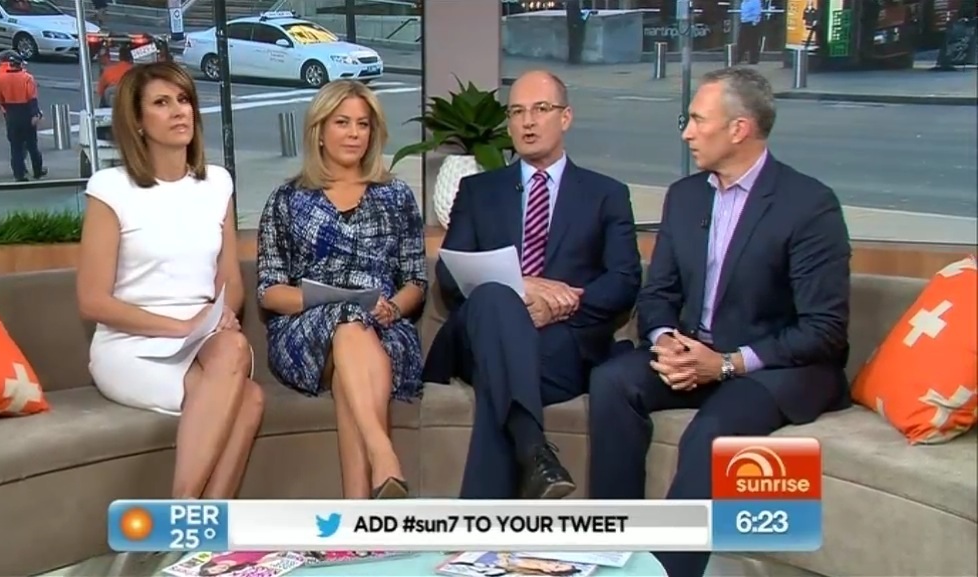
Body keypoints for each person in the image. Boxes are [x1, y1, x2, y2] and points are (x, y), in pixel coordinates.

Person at [586, 67, 851, 577]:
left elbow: (824, 329)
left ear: (739, 129)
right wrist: (666, 340)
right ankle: (613, 548)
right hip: (696, 353)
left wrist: (727, 363)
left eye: (697, 120)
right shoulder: (686, 196)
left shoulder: (808, 205)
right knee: (613, 382)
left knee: (712, 433)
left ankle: (666, 571)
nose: (686, 133)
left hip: (775, 367)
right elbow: (659, 292)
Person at [422, 70, 642, 500]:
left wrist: (562, 304)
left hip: (561, 346)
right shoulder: (478, 190)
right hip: (478, 337)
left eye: (540, 109)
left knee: (500, 379)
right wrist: (520, 288)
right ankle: (533, 449)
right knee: (494, 296)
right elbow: (449, 273)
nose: (527, 122)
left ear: (566, 117)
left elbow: (624, 280)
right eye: (517, 112)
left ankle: (518, 468)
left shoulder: (606, 194)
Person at [76, 62, 264, 500]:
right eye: (162, 103)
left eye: (184, 100)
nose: (180, 111)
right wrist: (180, 326)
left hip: (204, 339)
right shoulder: (110, 188)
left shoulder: (217, 183)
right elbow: (92, 301)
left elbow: (229, 279)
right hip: (132, 345)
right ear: (138, 122)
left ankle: (190, 522)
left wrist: (220, 316)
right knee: (249, 399)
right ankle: (191, 513)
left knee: (234, 349)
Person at [257, 79, 427, 500]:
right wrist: (332, 299)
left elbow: (416, 282)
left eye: (362, 124)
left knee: (353, 342)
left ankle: (358, 508)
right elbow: (270, 291)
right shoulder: (287, 200)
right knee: (348, 319)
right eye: (342, 123)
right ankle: (382, 454)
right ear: (319, 130)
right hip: (305, 332)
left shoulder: (396, 196)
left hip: (384, 329)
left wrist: (393, 309)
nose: (354, 134)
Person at [0, 50, 45, 182]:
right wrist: (35, 114)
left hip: (10, 112)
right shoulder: (27, 78)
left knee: (15, 146)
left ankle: (19, 174)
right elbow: (32, 98)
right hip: (26, 111)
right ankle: (37, 171)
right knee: (32, 145)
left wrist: (2, 107)